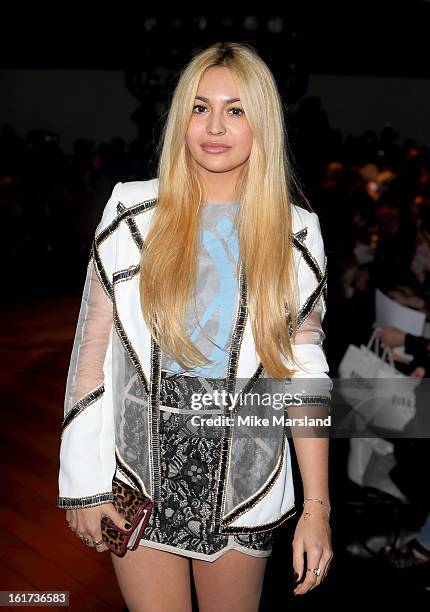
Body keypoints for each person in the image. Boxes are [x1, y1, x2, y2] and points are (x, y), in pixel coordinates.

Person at [56, 41, 333, 610]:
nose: (215, 125)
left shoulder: (297, 235)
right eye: (199, 107)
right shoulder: (130, 212)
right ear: (181, 117)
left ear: (263, 124)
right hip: (139, 472)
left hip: (246, 477)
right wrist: (81, 481)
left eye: (236, 109)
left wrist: (317, 507)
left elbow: (305, 376)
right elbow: (91, 352)